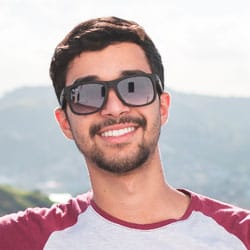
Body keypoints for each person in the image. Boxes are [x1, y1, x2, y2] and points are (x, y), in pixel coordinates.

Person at [0, 16, 249, 250]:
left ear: (162, 107)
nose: (114, 108)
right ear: (65, 122)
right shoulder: (20, 239)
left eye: (134, 87)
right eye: (86, 95)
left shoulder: (241, 236)